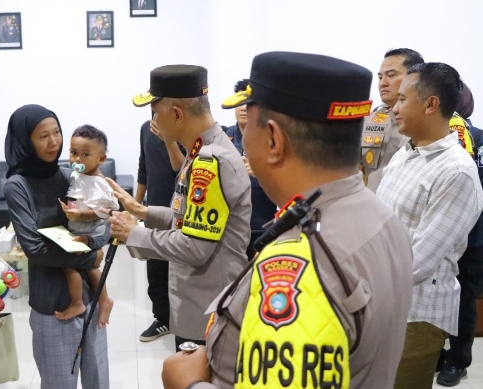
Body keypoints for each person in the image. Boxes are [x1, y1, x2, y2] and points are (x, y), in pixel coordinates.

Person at [160, 51, 415, 389]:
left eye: (248, 124)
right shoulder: (378, 214)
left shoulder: (298, 266)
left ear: (273, 140)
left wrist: (188, 384)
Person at [105, 64, 251, 351]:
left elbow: (195, 247)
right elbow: (189, 219)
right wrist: (144, 212)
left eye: (155, 112)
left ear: (176, 114)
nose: (154, 121)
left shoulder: (213, 161)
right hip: (199, 306)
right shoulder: (200, 150)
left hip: (208, 315)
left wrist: (134, 234)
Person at [376, 63, 483, 389]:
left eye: (403, 99)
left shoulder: (456, 171)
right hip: (382, 301)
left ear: (431, 104)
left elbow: (419, 261)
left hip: (415, 314)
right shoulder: (406, 154)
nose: (394, 107)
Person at [3, 104, 109, 388]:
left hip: (91, 298)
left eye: (57, 133)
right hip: (52, 305)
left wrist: (94, 243)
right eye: (43, 136)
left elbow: (104, 223)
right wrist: (92, 257)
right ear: (25, 141)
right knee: (59, 382)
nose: (54, 143)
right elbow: (35, 249)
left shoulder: (68, 176)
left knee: (98, 378)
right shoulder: (17, 186)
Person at [436, 83, 483, 386]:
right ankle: (438, 352)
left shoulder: (477, 137)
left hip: (474, 234)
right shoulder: (433, 139)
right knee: (437, 292)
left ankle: (459, 359)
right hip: (441, 232)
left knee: (464, 296)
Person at [56, 125, 116, 328]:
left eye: (85, 155)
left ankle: (79, 302)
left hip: (91, 230)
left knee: (70, 262)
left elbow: (106, 210)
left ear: (101, 159)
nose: (77, 160)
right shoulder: (77, 174)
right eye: (73, 153)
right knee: (88, 266)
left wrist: (82, 214)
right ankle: (103, 300)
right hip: (78, 226)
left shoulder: (98, 183)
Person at [135, 119, 186, 342]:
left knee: (180, 263)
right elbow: (143, 167)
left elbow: (183, 168)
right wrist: (136, 205)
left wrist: (169, 140)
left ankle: (182, 317)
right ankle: (162, 318)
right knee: (155, 265)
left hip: (182, 207)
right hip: (154, 205)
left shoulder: (185, 129)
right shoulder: (145, 129)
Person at [224, 78, 277, 259]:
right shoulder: (223, 137)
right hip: (231, 225)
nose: (242, 109)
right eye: (238, 104)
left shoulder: (271, 138)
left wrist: (257, 172)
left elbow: (284, 180)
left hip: (263, 222)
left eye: (247, 104)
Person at [361, 48, 424, 191]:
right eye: (380, 77)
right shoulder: (371, 118)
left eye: (391, 75)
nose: (383, 83)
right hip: (371, 206)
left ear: (415, 77)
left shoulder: (434, 120)